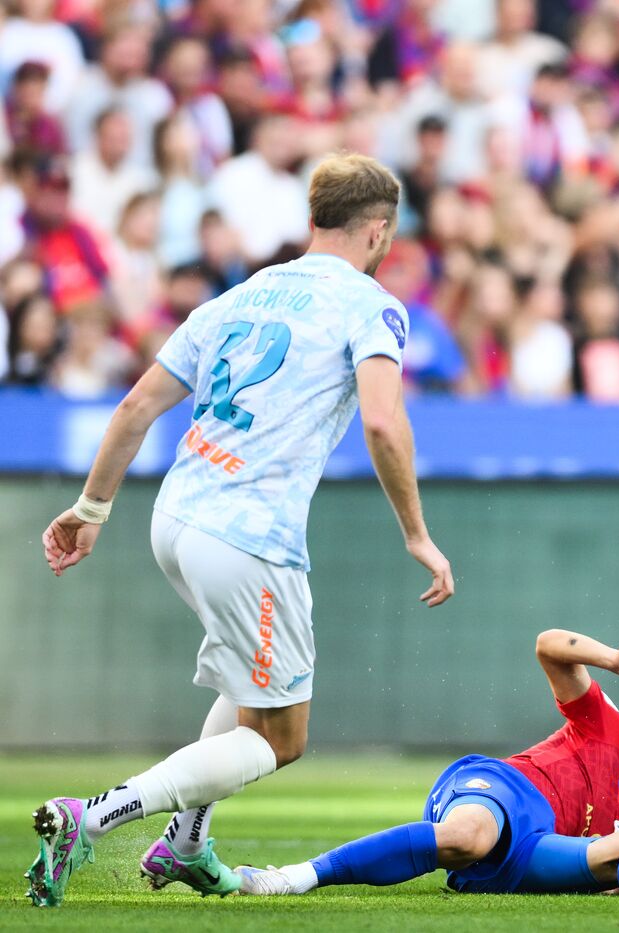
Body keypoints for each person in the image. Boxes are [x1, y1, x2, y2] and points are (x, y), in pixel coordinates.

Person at [25, 153, 455, 908]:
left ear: (313, 218)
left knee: (246, 684)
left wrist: (91, 509)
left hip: (176, 518)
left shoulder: (242, 293)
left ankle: (187, 843)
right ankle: (88, 818)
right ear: (379, 232)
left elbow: (133, 407)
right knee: (281, 738)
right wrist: (417, 533)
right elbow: (385, 421)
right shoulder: (371, 303)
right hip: (251, 537)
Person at [237, 628, 619, 899]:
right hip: (504, 792)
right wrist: (613, 661)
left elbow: (608, 854)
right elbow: (550, 646)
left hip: (534, 855)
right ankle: (294, 877)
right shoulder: (610, 736)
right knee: (469, 838)